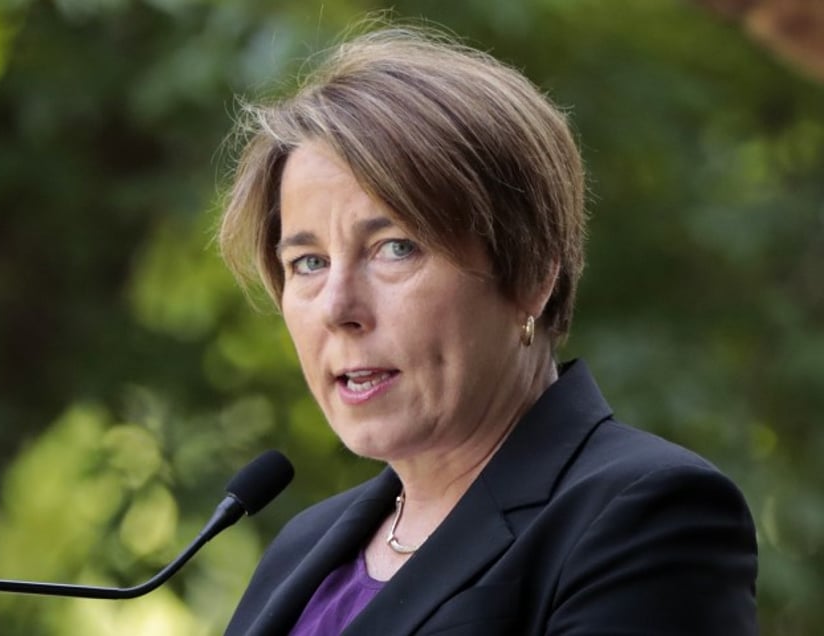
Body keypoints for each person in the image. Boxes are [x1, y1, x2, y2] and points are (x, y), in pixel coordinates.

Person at [217, 25, 758, 636]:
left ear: (531, 272)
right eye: (308, 263)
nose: (338, 307)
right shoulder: (303, 546)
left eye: (396, 248)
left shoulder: (648, 515)